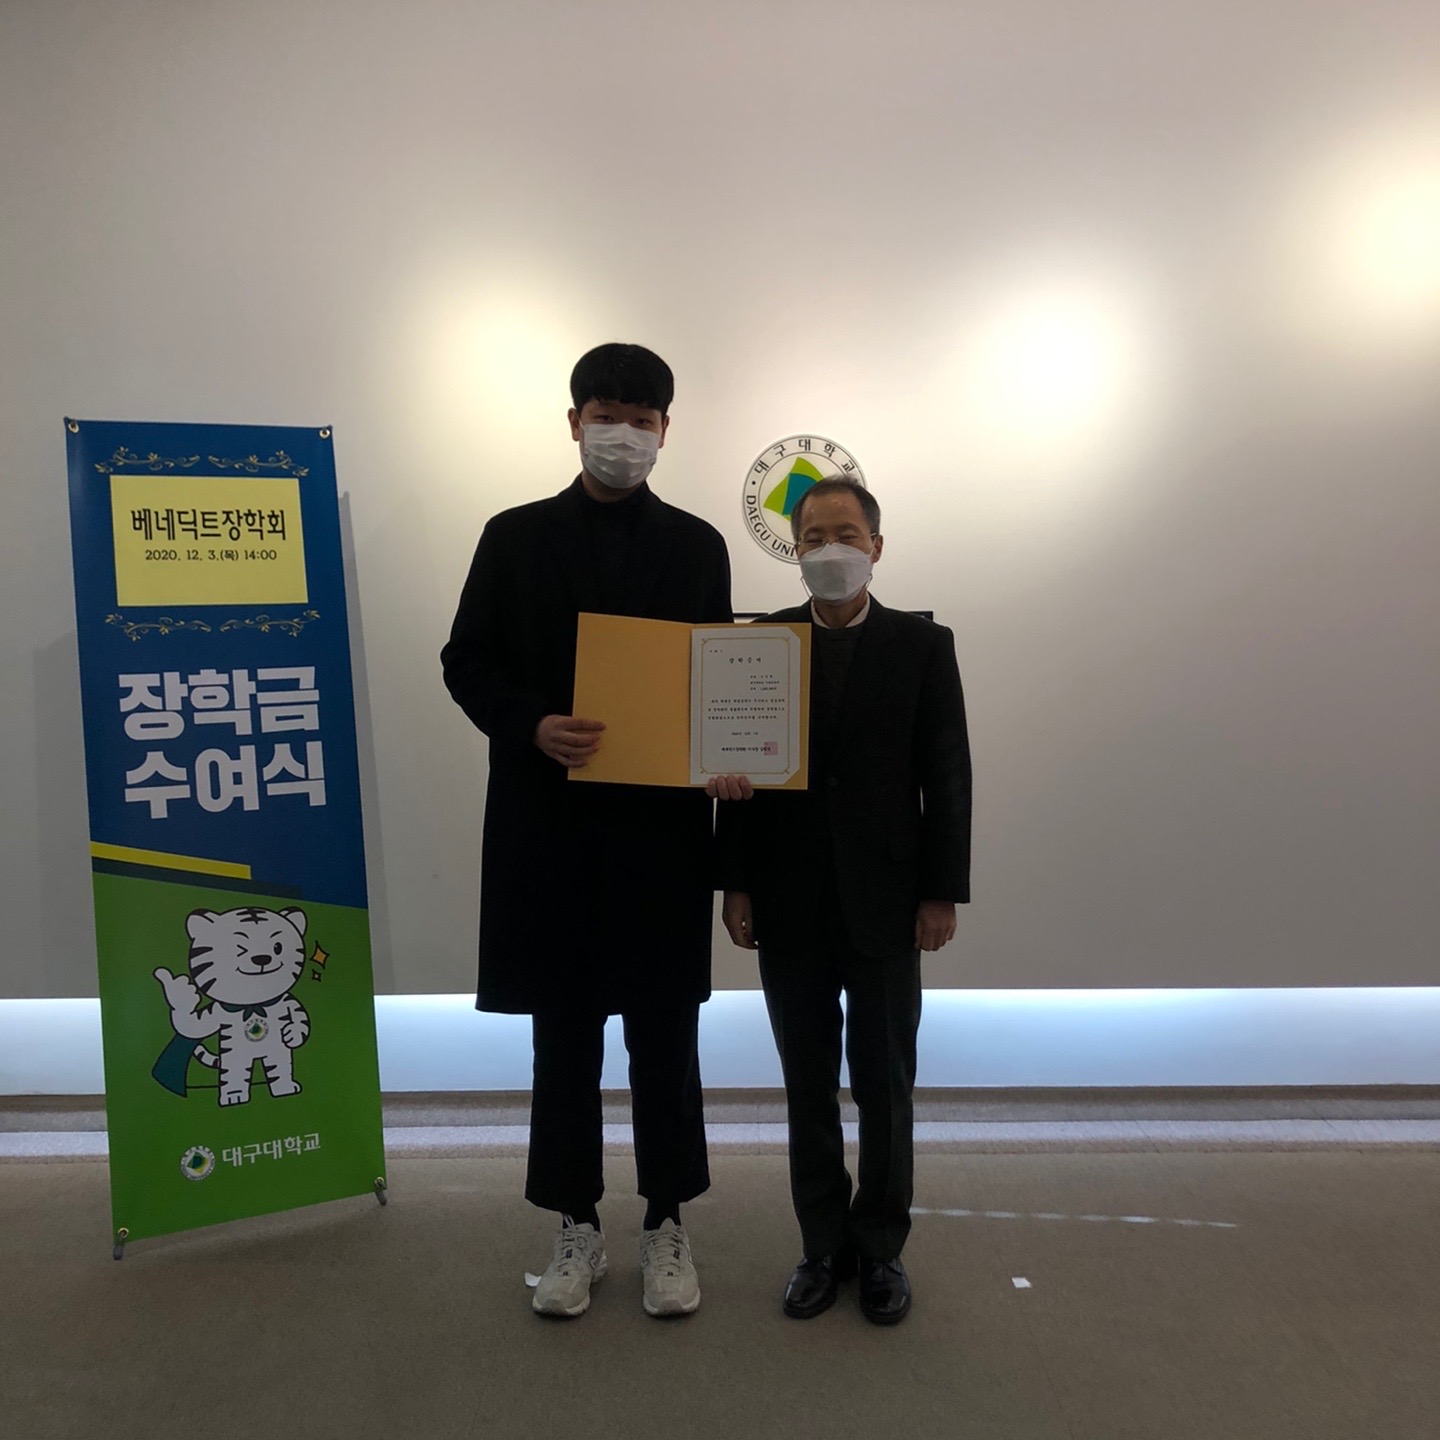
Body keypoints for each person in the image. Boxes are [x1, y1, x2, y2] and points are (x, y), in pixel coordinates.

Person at [441, 343, 733, 1320]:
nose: (624, 434)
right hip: (550, 826)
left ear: (666, 431)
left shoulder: (697, 546)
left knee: (665, 1037)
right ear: (574, 423)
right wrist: (530, 722)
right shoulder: (513, 536)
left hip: (661, 835)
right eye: (608, 414)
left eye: (643, 419)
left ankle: (666, 1222)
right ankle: (575, 1224)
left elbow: (720, 680)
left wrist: (734, 751)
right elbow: (464, 659)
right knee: (563, 1039)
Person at [715, 477, 971, 1325]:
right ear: (794, 549)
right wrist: (736, 881)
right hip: (786, 895)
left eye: (847, 535)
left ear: (876, 547)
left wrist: (941, 892)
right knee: (807, 1083)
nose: (830, 550)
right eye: (813, 537)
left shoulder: (922, 645)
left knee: (886, 1084)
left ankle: (882, 1247)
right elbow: (736, 777)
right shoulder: (760, 643)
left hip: (890, 899)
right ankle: (822, 1245)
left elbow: (948, 776)